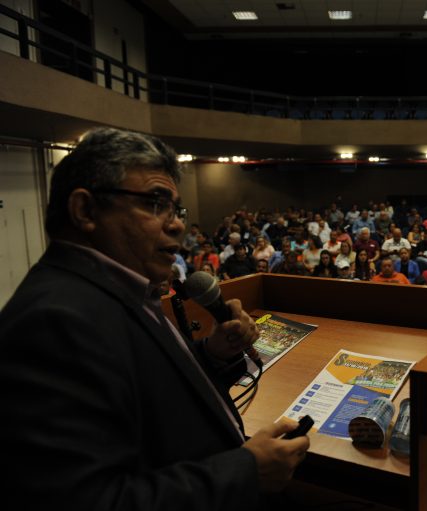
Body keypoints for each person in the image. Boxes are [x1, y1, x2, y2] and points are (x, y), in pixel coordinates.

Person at [0, 128, 308, 510]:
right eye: (154, 203)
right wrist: (246, 472)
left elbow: (147, 384)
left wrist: (213, 352)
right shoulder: (53, 322)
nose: (177, 224)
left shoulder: (123, 290)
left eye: (175, 209)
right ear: (85, 211)